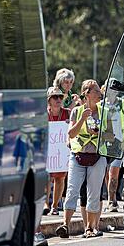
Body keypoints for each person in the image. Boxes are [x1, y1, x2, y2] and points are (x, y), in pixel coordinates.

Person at [55, 80, 108, 239]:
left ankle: (90, 228)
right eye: (96, 91)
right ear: (87, 93)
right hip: (78, 155)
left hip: (97, 157)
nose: (100, 94)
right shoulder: (76, 112)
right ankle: (65, 225)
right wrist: (82, 119)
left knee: (93, 193)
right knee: (72, 191)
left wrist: (98, 133)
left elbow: (112, 135)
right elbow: (71, 134)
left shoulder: (104, 111)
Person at [47, 86, 70, 215]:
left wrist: (70, 123)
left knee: (60, 178)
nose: (58, 99)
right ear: (49, 100)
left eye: (60, 97)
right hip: (48, 152)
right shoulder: (44, 114)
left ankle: (54, 206)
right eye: (55, 97)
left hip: (61, 153)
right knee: (47, 178)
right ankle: (45, 204)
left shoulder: (67, 113)